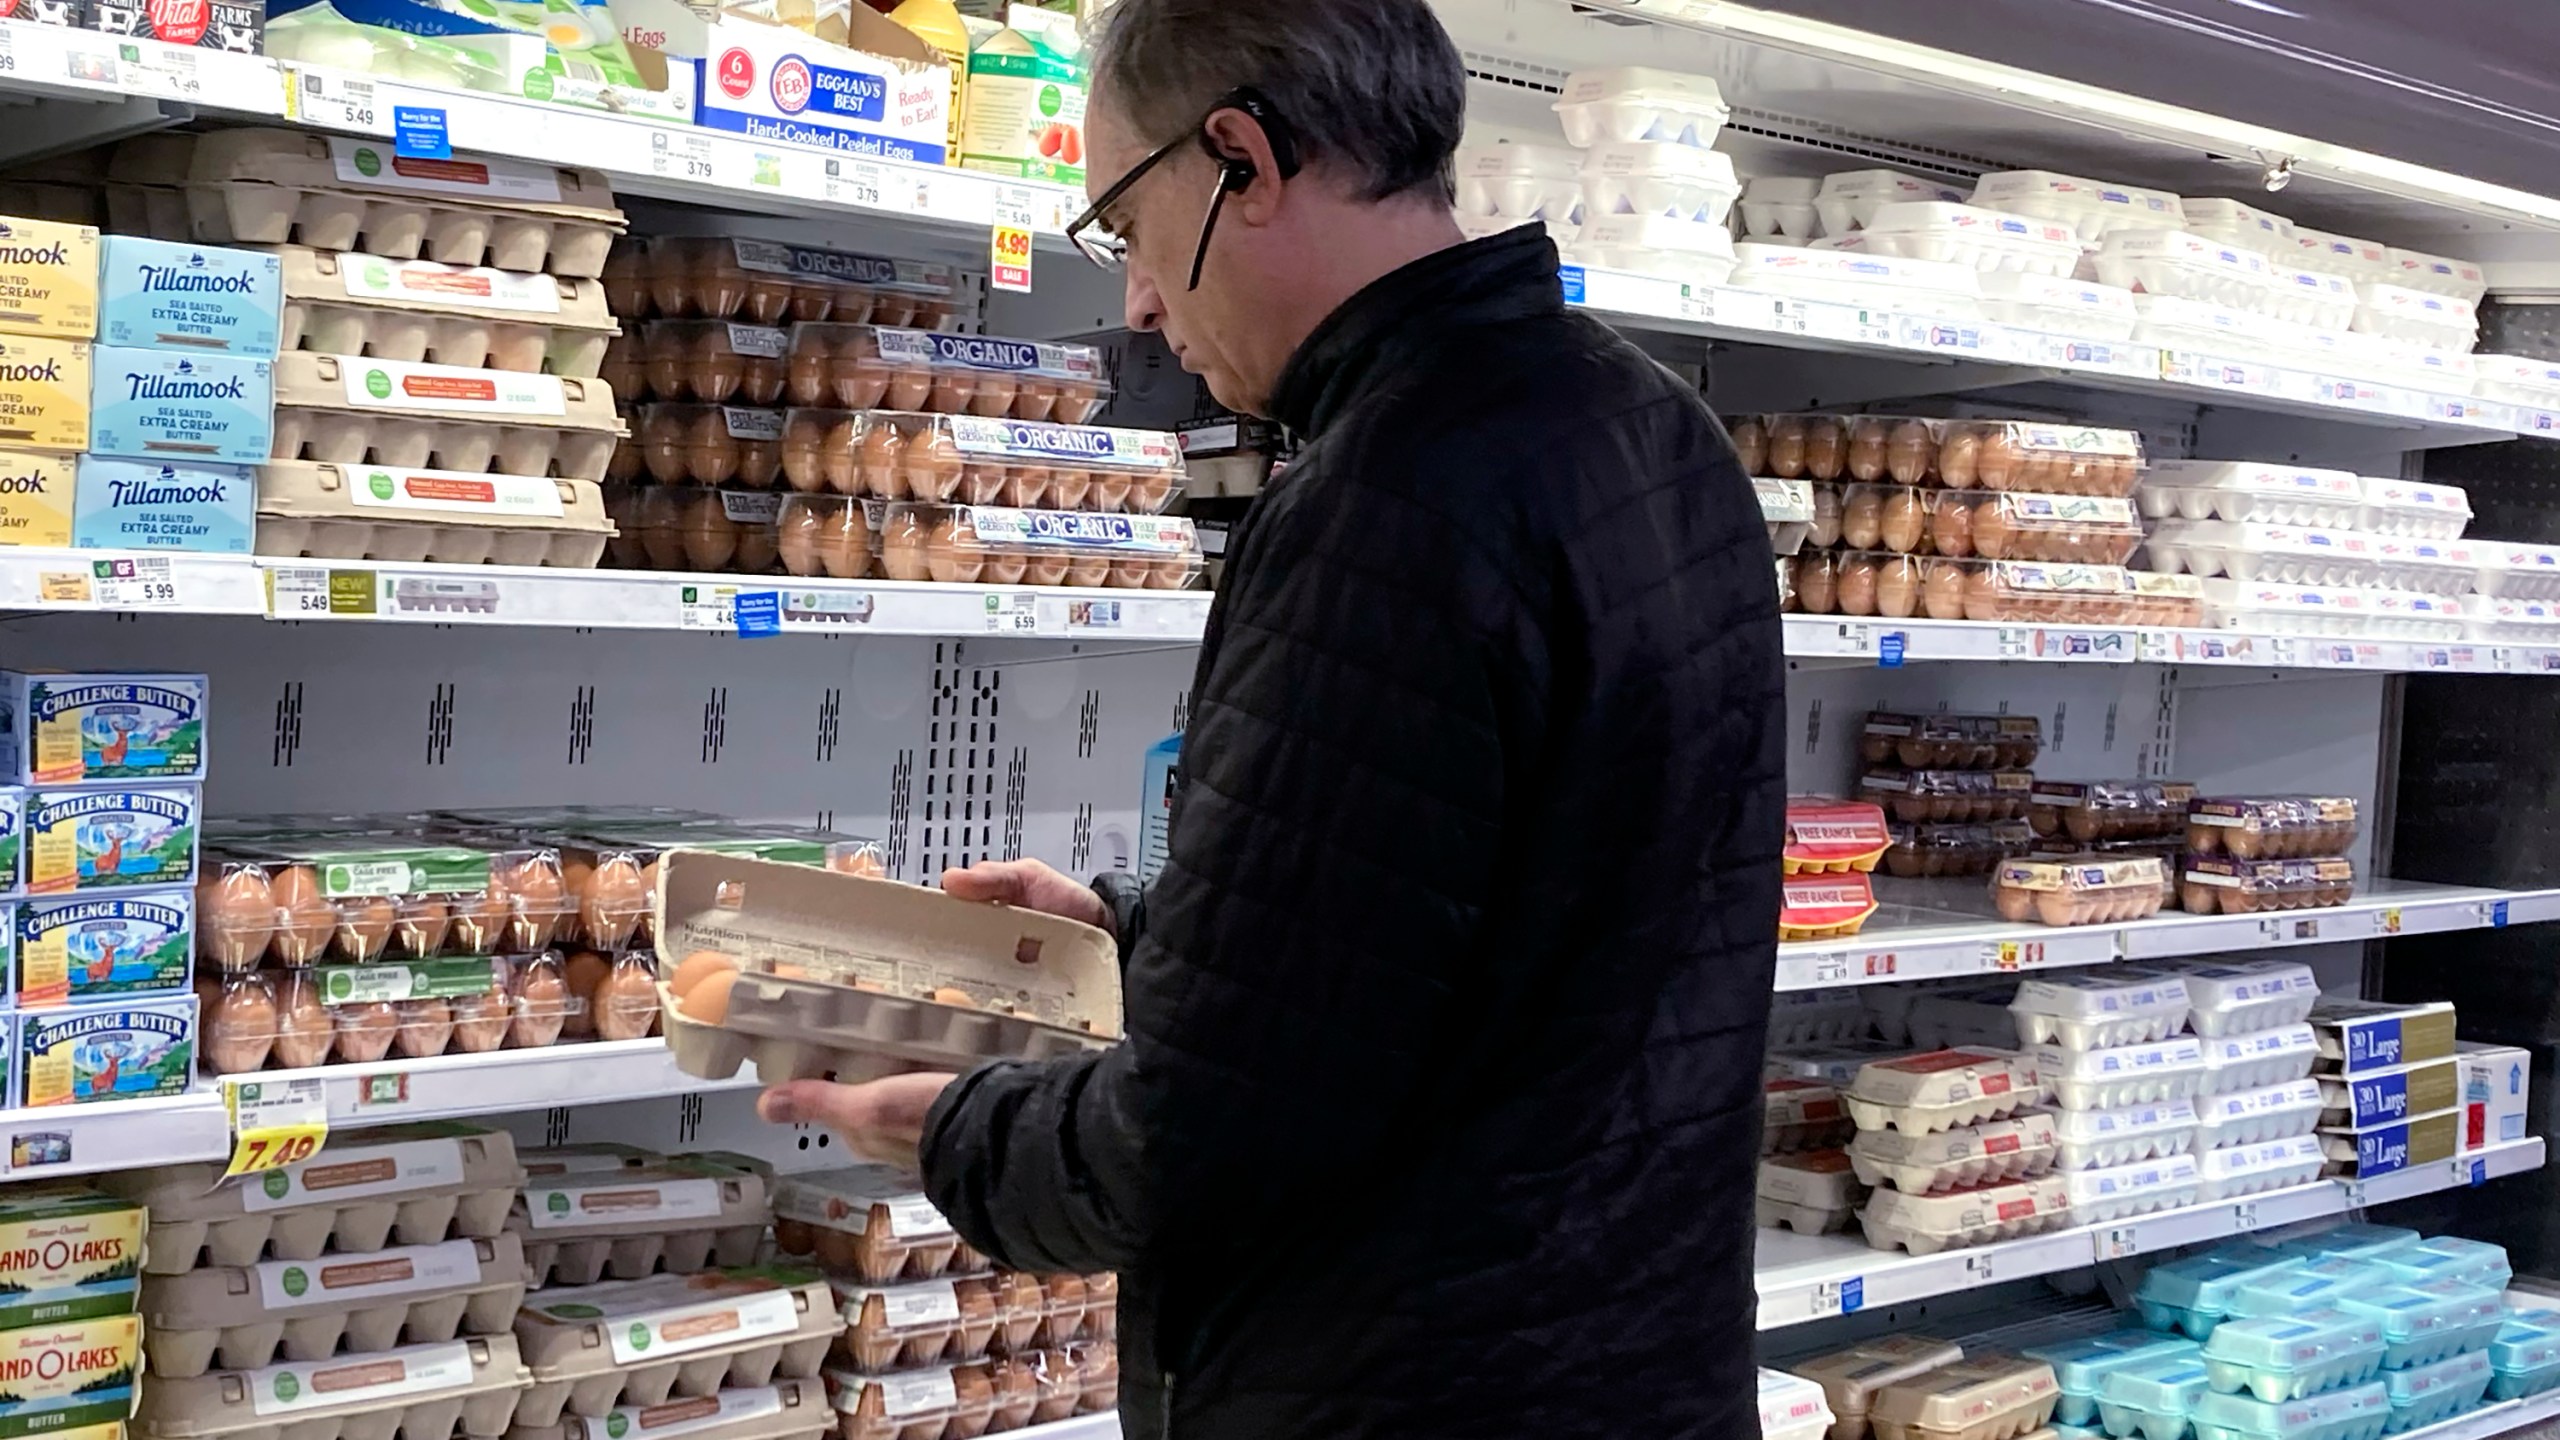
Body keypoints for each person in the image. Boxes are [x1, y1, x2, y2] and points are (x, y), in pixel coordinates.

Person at [754, 0, 1786, 1433]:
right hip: (1632, 1364)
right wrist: (1153, 933)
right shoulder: (1654, 429)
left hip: (1406, 1388)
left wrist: (942, 1124)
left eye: (1122, 222)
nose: (1133, 303)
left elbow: (1191, 1147)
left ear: (1240, 155)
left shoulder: (1390, 498)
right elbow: (1516, 927)